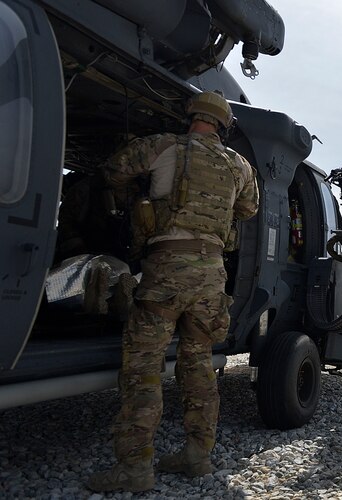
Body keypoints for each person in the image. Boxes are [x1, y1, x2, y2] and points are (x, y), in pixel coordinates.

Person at [87, 91, 259, 492]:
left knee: (143, 371)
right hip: (211, 277)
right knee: (199, 367)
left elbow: (113, 170)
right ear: (223, 125)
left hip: (165, 270)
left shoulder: (163, 145)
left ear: (192, 116)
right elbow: (247, 210)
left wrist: (144, 196)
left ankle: (134, 469)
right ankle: (197, 456)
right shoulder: (239, 165)